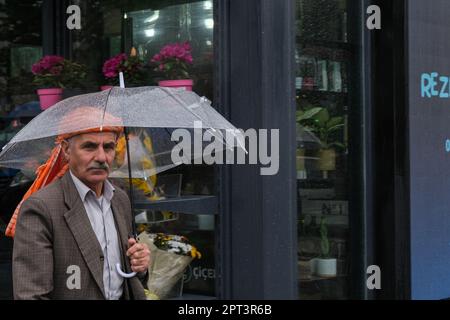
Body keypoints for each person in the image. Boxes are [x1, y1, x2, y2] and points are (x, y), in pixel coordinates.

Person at [11, 108, 150, 300]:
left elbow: (124, 279)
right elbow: (31, 295)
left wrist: (139, 266)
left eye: (108, 147)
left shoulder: (120, 199)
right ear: (67, 150)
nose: (101, 157)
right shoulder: (41, 208)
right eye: (90, 147)